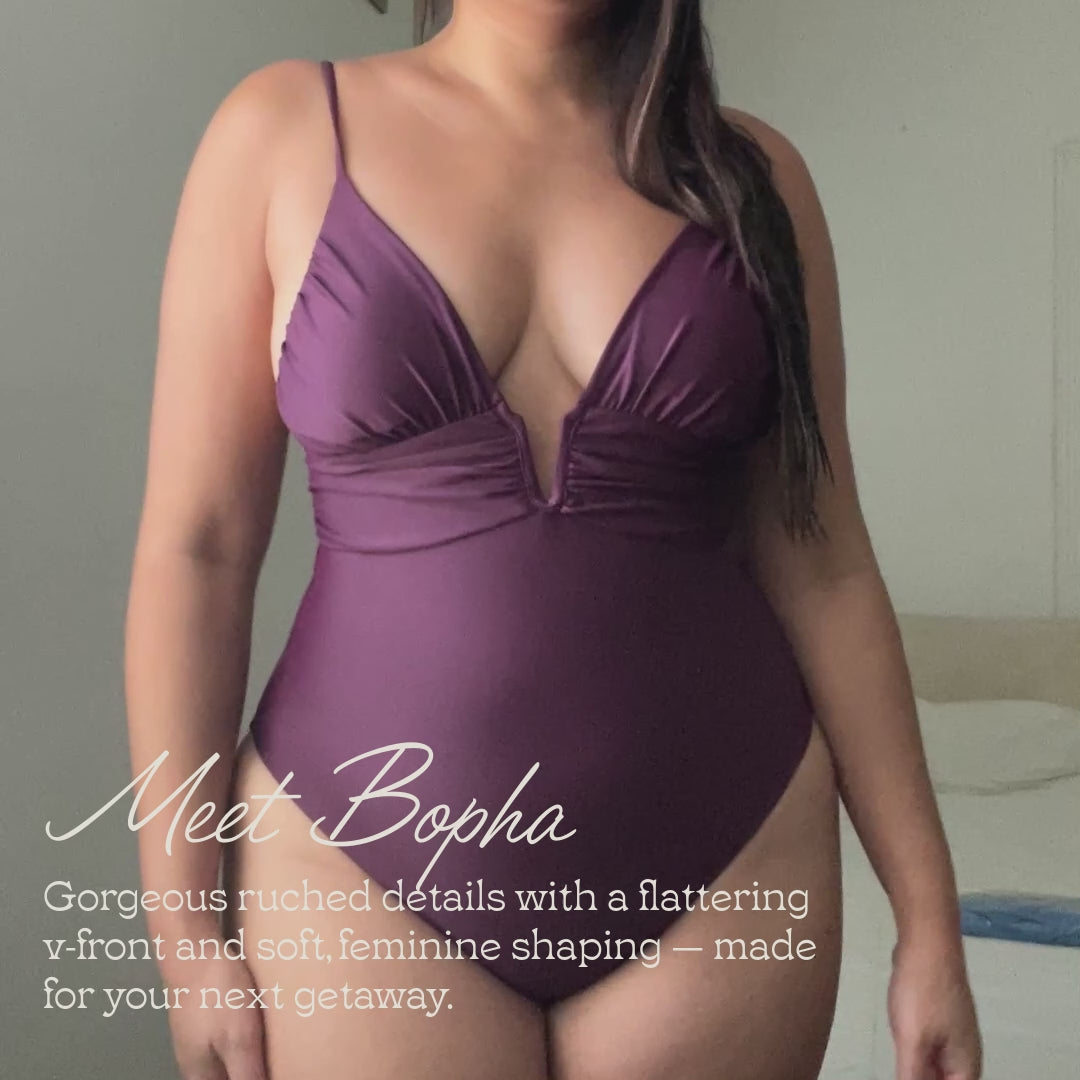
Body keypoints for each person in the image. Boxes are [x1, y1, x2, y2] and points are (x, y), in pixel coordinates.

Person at [124, 2, 983, 1078]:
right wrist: (183, 930)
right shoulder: (282, 131)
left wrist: (930, 921)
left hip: (727, 864)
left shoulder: (756, 182)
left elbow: (827, 565)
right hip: (354, 864)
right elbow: (197, 553)